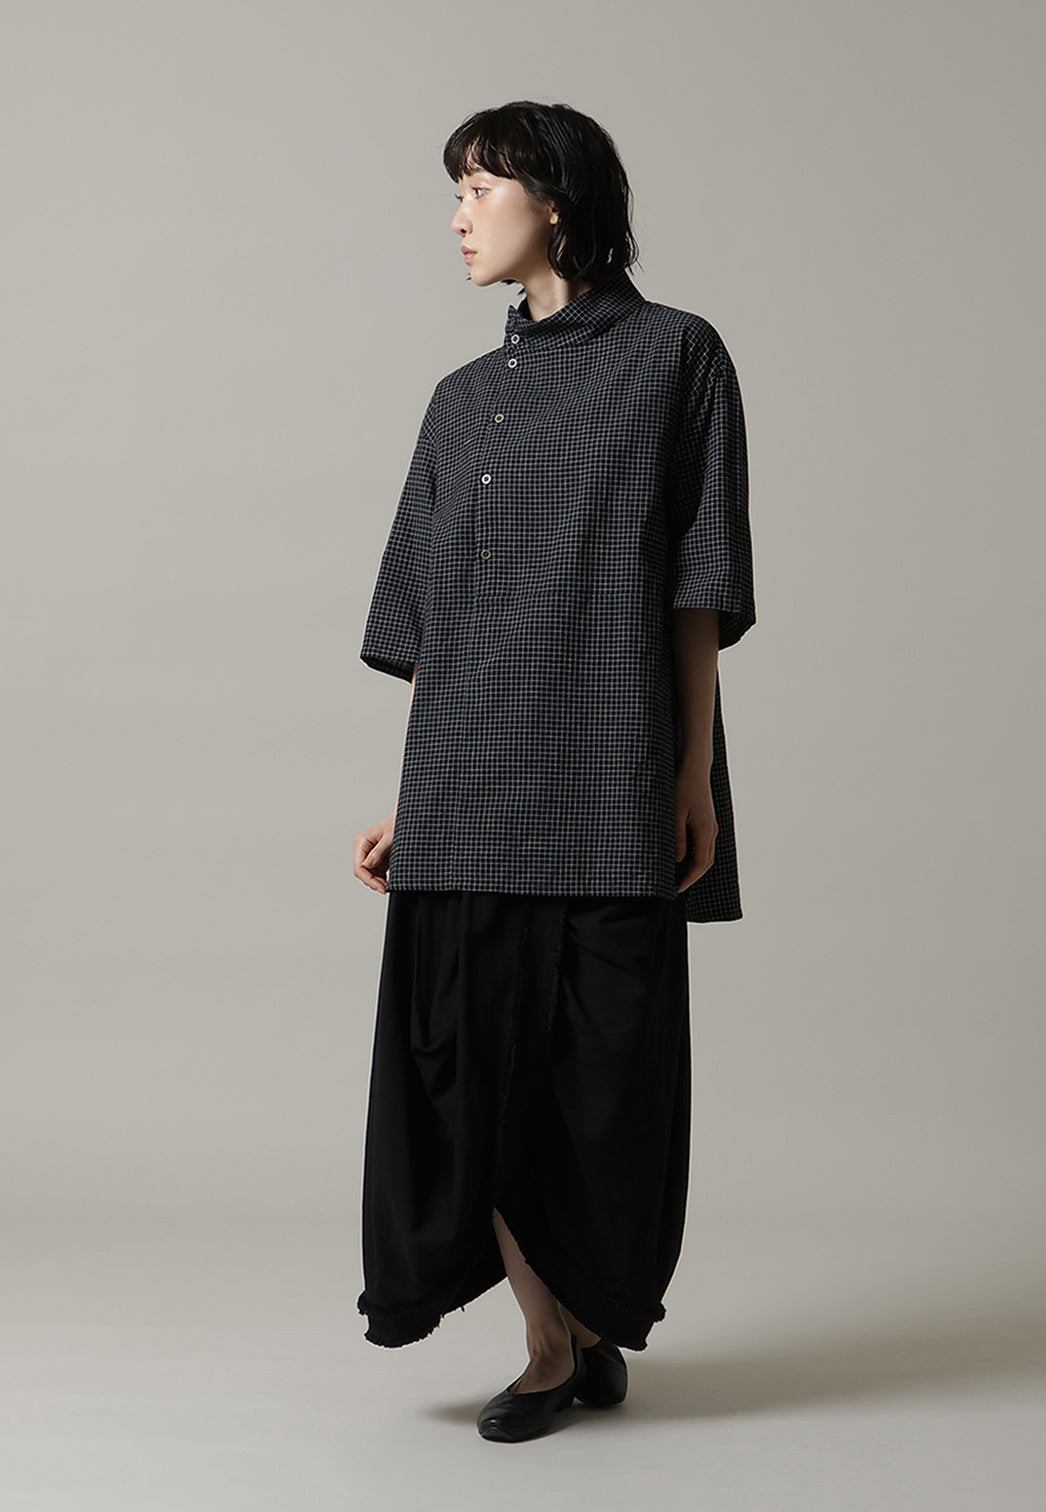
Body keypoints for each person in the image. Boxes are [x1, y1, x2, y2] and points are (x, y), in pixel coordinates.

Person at [352, 100, 755, 1443]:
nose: (460, 216)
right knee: (474, 1070)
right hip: (469, 783)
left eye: (482, 187)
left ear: (559, 200)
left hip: (611, 768)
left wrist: (690, 775)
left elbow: (698, 581)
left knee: (597, 1078)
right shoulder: (461, 401)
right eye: (457, 191)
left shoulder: (677, 356)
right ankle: (548, 1348)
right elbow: (437, 620)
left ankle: (584, 1318)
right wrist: (410, 801)